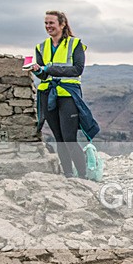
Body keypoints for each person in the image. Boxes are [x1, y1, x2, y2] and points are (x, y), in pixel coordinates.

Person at [29, 10, 99, 178]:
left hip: (68, 95)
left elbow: (77, 69)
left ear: (62, 24)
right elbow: (44, 75)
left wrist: (49, 68)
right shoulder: (41, 47)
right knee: (59, 138)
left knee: (69, 138)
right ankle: (68, 174)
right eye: (46, 23)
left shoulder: (75, 44)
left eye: (51, 23)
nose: (48, 26)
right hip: (48, 95)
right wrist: (38, 70)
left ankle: (82, 175)